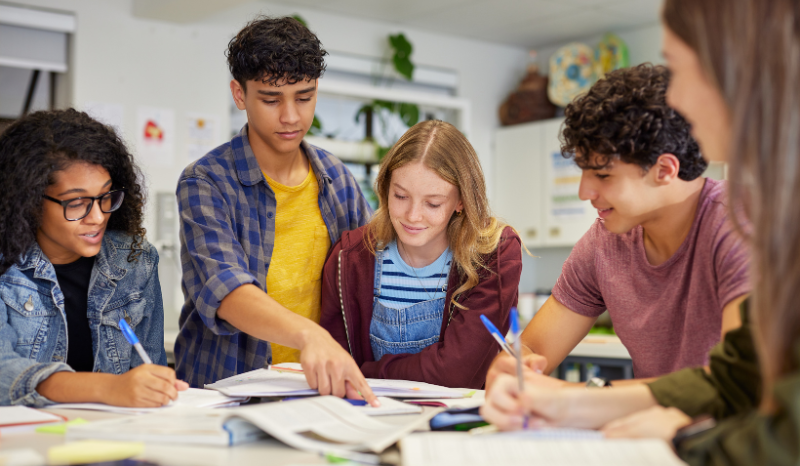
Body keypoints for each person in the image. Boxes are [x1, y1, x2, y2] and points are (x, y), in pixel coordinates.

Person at [484, 0, 800, 463]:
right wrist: (545, 391)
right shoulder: (606, 240)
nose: (676, 99)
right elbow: (737, 377)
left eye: (604, 175)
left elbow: (762, 409)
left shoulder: (746, 222)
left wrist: (683, 437)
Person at [487, 64, 750, 387]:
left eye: (603, 175)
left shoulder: (739, 224)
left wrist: (581, 399)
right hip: (653, 432)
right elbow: (531, 349)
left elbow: (740, 380)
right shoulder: (603, 244)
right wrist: (513, 366)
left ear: (664, 170)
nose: (584, 193)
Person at [173, 16, 377, 404]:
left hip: (314, 392)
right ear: (239, 94)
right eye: (271, 99)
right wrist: (310, 335)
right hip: (225, 393)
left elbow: (370, 278)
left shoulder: (337, 179)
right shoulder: (205, 182)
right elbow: (228, 293)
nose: (291, 117)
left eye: (304, 97)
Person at [0, 109, 187, 407]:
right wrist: (107, 388)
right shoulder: (6, 270)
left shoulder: (134, 262)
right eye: (76, 203)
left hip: (110, 440)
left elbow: (147, 371)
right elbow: (3, 373)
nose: (98, 217)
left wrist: (156, 388)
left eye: (105, 197)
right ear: (29, 202)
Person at [319, 120, 522, 388]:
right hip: (373, 421)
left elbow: (455, 372)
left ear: (461, 201)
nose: (412, 216)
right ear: (385, 188)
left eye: (433, 203)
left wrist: (365, 373)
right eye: (400, 196)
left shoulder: (493, 254)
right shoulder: (350, 258)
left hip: (456, 425)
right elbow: (335, 366)